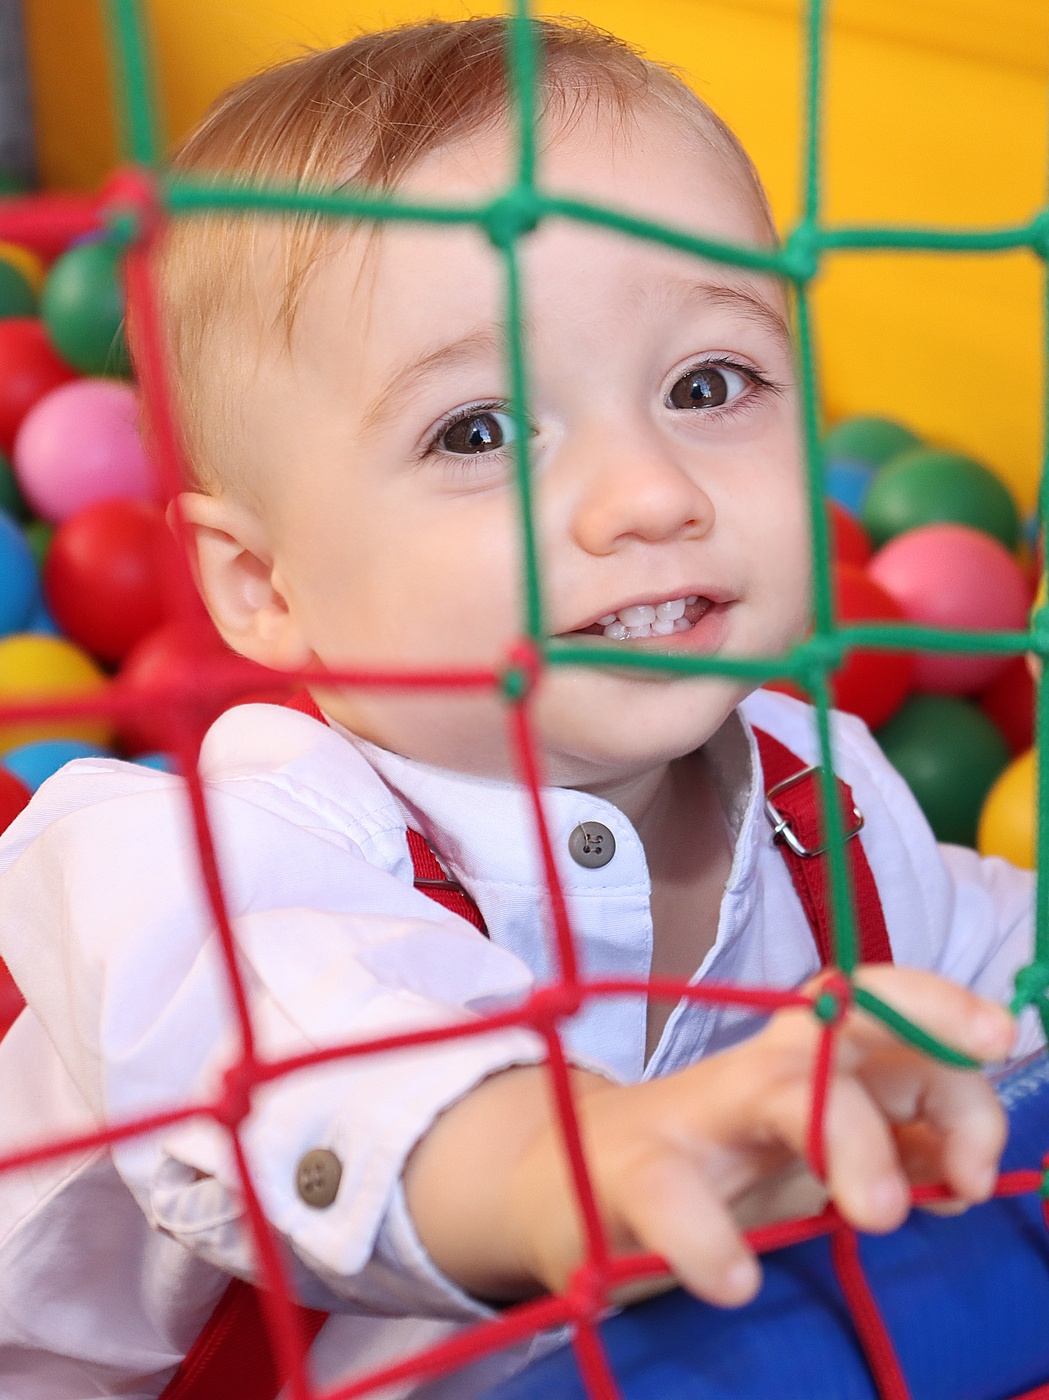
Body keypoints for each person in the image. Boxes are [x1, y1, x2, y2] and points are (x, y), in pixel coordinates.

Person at [0, 16, 1035, 1399]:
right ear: (260, 584)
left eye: (707, 385)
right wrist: (573, 1163)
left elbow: (992, 969)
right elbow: (322, 1076)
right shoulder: (183, 863)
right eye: (479, 431)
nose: (652, 493)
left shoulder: (823, 791)